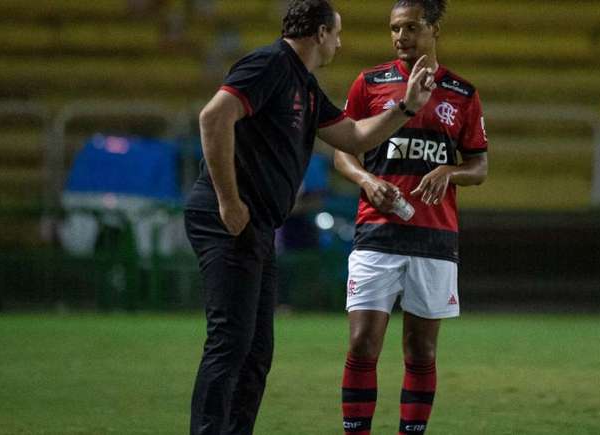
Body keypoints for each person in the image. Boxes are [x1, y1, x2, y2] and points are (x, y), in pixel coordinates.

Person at [183, 0, 438, 432]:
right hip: (228, 219)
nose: (339, 42)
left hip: (257, 224)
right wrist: (228, 201)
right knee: (230, 345)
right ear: (320, 33)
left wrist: (407, 107)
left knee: (255, 351)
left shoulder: (304, 84)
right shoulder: (270, 64)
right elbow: (213, 117)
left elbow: (354, 134)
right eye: (336, 34)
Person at [333, 1, 489, 434]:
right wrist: (366, 180)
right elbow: (342, 152)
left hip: (434, 238)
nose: (401, 36)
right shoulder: (370, 83)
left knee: (421, 352)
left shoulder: (461, 93)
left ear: (435, 28)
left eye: (411, 27)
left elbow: (479, 167)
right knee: (362, 342)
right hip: (376, 233)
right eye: (394, 29)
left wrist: (449, 171)